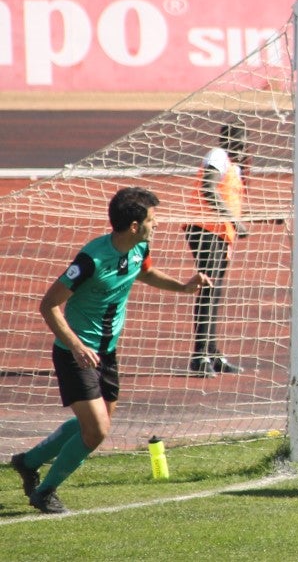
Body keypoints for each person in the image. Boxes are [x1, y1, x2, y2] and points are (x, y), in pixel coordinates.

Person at [11, 187, 209, 514]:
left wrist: (183, 287)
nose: (155, 224)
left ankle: (28, 461)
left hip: (108, 354)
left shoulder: (139, 246)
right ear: (133, 225)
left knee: (95, 424)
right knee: (97, 430)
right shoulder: (91, 260)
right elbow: (48, 305)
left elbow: (143, 271)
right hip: (75, 353)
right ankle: (44, 492)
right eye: (151, 219)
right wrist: (76, 345)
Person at [185, 121, 250, 376]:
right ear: (228, 139)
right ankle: (200, 356)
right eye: (239, 139)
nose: (244, 145)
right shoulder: (218, 156)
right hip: (205, 229)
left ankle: (212, 352)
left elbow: (231, 203)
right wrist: (234, 221)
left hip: (221, 233)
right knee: (208, 290)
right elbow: (208, 189)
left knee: (215, 292)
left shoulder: (235, 167)